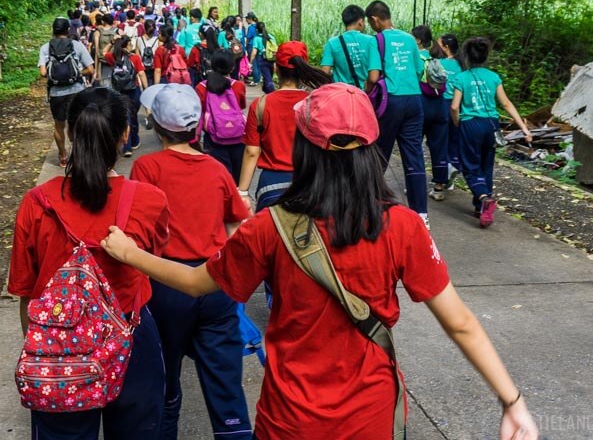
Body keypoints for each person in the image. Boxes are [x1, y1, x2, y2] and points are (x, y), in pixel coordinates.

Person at [100, 84, 540, 440]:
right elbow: (460, 322)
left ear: (303, 150)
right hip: (371, 414)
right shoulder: (402, 226)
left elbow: (197, 282)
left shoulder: (270, 226)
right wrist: (512, 401)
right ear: (371, 149)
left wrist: (131, 254)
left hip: (290, 418)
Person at [8, 87, 169, 440]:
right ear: (125, 134)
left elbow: (25, 292)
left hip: (58, 343)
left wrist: (43, 355)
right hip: (131, 337)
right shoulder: (149, 200)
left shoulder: (36, 204)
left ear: (69, 134)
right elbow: (153, 262)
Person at [130, 83, 253, 440]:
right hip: (215, 281)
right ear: (196, 127)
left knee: (165, 380)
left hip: (167, 283)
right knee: (225, 383)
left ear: (158, 124)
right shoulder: (215, 168)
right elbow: (237, 220)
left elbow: (140, 228)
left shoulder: (147, 168)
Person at [237, 41, 329, 212]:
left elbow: (252, 152)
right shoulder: (314, 103)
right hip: (308, 182)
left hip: (271, 185)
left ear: (275, 69)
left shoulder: (260, 105)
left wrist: (242, 192)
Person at [450, 37, 532, 227]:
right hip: (491, 125)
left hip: (470, 124)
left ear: (467, 56)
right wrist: (524, 128)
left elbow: (454, 107)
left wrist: (457, 123)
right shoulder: (493, 77)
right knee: (486, 164)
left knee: (470, 165)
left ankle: (483, 197)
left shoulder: (461, 78)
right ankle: (480, 209)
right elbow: (506, 104)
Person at [365, 0, 430, 228]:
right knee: (414, 157)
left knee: (380, 154)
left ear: (375, 19)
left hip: (390, 102)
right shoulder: (410, 39)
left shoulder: (378, 40)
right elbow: (419, 69)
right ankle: (421, 214)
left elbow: (373, 77)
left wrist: (366, 93)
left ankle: (371, 205)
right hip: (414, 101)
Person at [39, 18, 94, 167]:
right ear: (68, 30)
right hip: (77, 91)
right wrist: (76, 74)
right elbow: (90, 69)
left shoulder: (45, 47)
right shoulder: (77, 45)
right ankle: (78, 153)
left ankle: (63, 155)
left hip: (56, 93)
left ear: (53, 31)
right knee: (77, 124)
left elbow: (43, 72)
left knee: (59, 125)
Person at [196, 49, 249, 182]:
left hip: (213, 138)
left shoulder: (201, 87)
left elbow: (200, 113)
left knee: (219, 178)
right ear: (232, 67)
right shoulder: (238, 86)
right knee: (237, 178)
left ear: (212, 65)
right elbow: (241, 106)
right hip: (238, 136)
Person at [412, 24, 451, 203]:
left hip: (421, 105)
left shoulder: (415, 58)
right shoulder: (437, 58)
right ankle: (439, 186)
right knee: (439, 147)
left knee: (414, 146)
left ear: (418, 40)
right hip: (439, 106)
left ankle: (415, 182)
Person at [103, 36, 148, 158]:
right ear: (126, 46)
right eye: (130, 44)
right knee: (132, 116)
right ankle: (133, 141)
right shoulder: (135, 58)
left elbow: (103, 53)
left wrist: (112, 42)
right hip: (134, 90)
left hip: (119, 91)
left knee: (125, 117)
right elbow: (141, 74)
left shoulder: (114, 58)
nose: (132, 46)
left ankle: (127, 145)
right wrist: (146, 89)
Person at [320, 4, 382, 90]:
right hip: (363, 95)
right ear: (360, 21)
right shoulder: (371, 41)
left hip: (340, 94)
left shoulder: (332, 43)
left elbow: (324, 73)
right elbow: (373, 76)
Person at [438, 34, 465, 182]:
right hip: (458, 104)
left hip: (442, 103)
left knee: (441, 138)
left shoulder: (439, 63)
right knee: (454, 138)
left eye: (439, 44)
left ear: (446, 47)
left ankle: (444, 172)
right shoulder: (462, 65)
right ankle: (453, 165)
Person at [247, 21, 276, 94]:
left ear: (257, 30)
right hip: (272, 59)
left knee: (268, 79)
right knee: (269, 77)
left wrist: (250, 62)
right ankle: (266, 90)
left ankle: (271, 94)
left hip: (262, 59)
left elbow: (254, 52)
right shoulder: (271, 36)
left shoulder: (256, 38)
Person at [93, 13, 120, 87]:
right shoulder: (117, 31)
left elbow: (97, 51)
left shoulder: (98, 32)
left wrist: (96, 70)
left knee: (104, 85)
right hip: (115, 62)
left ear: (102, 21)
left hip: (103, 62)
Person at [137, 19, 160, 86]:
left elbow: (137, 55)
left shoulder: (139, 39)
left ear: (144, 28)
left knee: (145, 87)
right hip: (154, 67)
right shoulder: (158, 40)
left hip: (143, 68)